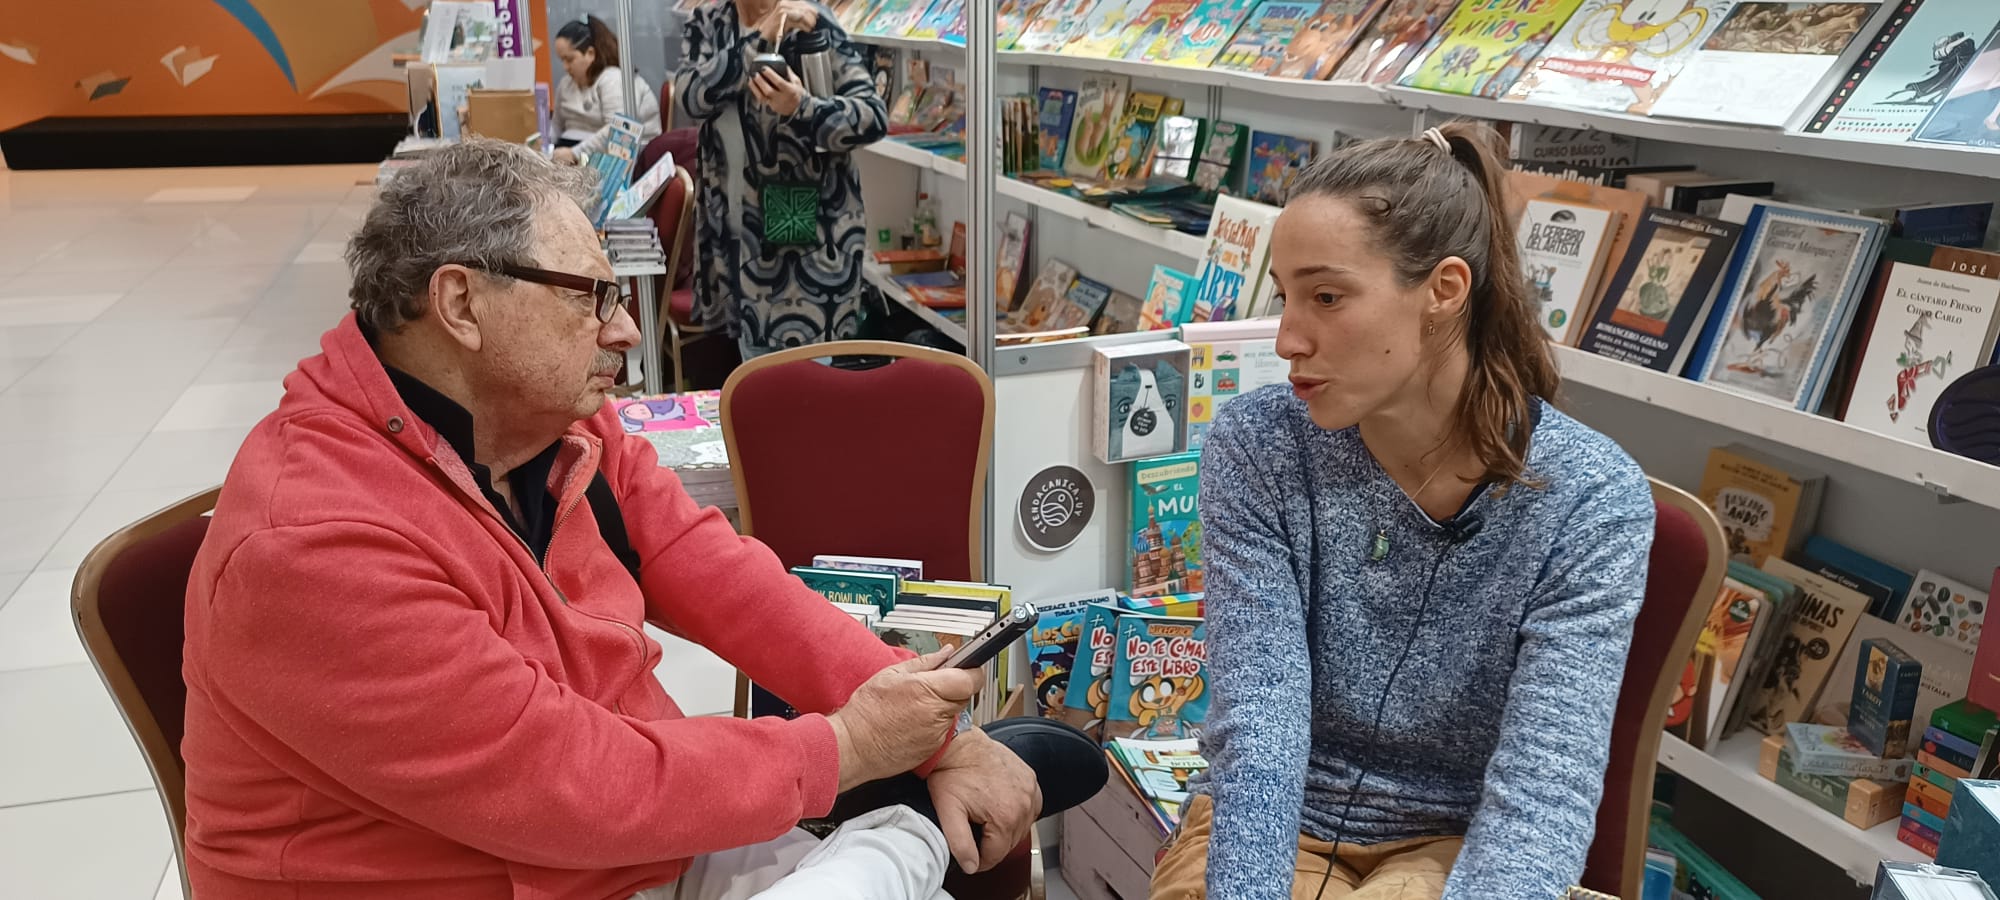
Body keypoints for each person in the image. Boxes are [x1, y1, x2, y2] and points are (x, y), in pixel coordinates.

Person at [179, 137, 1102, 900]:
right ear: (460, 304)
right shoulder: (312, 544)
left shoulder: (561, 425)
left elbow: (726, 578)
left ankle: (903, 824)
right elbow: (567, 783)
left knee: (887, 841)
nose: (625, 332)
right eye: (593, 297)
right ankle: (901, 834)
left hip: (604, 852)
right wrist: (850, 747)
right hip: (472, 864)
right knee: (888, 856)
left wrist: (939, 733)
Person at [1149, 122, 1655, 900]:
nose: (1287, 338)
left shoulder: (1591, 498)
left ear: (1444, 291)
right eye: (1285, 297)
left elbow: (1543, 788)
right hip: (1275, 820)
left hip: (1457, 840)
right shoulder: (1257, 447)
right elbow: (1262, 726)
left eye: (1326, 297)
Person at [675, 0, 886, 359]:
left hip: (803, 243)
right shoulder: (709, 21)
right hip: (731, 241)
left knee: (806, 389)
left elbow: (871, 117)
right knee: (754, 378)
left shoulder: (811, 19)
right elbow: (691, 97)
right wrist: (760, 36)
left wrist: (801, 107)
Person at [551, 16, 662, 164]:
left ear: (590, 53)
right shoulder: (566, 84)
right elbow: (556, 125)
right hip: (573, 151)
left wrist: (574, 153)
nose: (565, 67)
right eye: (562, 60)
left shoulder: (613, 79)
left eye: (569, 59)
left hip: (623, 156)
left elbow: (617, 130)